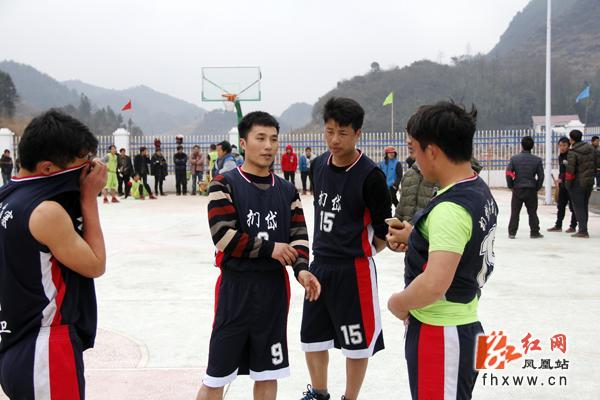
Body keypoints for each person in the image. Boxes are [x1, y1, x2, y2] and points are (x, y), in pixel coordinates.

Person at [197, 111, 321, 400]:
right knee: (216, 376)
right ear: (243, 143)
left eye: (273, 139)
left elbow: (299, 237)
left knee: (268, 374)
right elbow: (224, 237)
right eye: (260, 138)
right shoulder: (223, 184)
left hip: (273, 292)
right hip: (236, 291)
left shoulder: (287, 190)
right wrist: (270, 249)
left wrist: (302, 269)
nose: (268, 146)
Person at [386, 101, 497, 400]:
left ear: (432, 151)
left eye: (414, 149)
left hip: (442, 334)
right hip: (463, 325)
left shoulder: (450, 209)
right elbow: (462, 244)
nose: (414, 158)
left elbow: (434, 284)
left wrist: (398, 303)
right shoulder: (477, 189)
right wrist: (416, 238)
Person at [0, 110, 106, 399]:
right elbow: (95, 264)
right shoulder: (46, 212)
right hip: (45, 348)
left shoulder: (7, 197)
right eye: (84, 165)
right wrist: (88, 198)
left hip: (15, 344)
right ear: (47, 168)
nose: (90, 172)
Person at [300, 97, 391, 400]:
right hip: (319, 265)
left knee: (357, 342)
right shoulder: (317, 166)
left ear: (357, 133)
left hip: (354, 269)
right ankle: (319, 393)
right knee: (313, 337)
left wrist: (362, 251)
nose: (334, 140)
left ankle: (350, 397)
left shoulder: (371, 176)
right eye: (329, 132)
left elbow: (383, 232)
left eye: (343, 133)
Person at [505, 136, 544, 239]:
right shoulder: (537, 160)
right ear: (532, 146)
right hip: (531, 189)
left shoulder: (514, 159)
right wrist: (537, 187)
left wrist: (511, 185)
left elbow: (509, 173)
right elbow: (541, 176)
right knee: (532, 212)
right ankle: (534, 232)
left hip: (518, 189)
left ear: (521, 145)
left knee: (515, 212)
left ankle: (512, 233)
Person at [565, 129, 596, 238]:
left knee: (578, 207)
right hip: (589, 181)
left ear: (571, 139)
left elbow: (570, 171)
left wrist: (567, 184)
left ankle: (583, 231)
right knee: (584, 206)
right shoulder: (591, 149)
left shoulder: (572, 152)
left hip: (577, 183)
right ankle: (583, 228)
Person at [395, 154, 437, 224]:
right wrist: (396, 222)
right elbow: (402, 203)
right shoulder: (408, 174)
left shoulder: (439, 176)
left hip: (426, 228)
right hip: (406, 226)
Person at [547, 137, 577, 233]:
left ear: (569, 146)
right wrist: (559, 180)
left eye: (564, 145)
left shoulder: (571, 156)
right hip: (563, 185)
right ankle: (558, 225)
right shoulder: (560, 156)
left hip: (571, 185)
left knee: (573, 207)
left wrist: (562, 178)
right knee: (561, 205)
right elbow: (562, 170)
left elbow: (571, 170)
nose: (562, 147)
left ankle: (573, 226)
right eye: (560, 145)